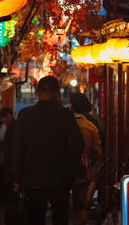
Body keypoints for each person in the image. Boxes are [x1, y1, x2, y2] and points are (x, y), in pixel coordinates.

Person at [13, 76, 84, 225]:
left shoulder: (25, 115)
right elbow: (78, 143)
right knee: (60, 217)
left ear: (37, 92)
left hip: (33, 177)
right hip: (60, 177)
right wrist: (70, 167)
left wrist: (17, 176)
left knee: (34, 218)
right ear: (57, 93)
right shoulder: (65, 114)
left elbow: (18, 148)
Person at [69, 92, 101, 225]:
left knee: (60, 208)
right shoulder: (91, 127)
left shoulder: (62, 123)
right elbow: (96, 152)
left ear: (71, 106)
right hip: (82, 171)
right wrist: (87, 160)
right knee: (81, 207)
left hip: (61, 171)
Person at [0, 107, 16, 209]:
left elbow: (13, 142)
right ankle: (1, 201)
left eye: (10, 117)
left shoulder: (15, 126)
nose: (8, 119)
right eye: (6, 117)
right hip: (0, 155)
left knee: (8, 179)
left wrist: (0, 143)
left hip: (10, 156)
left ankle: (8, 202)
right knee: (0, 177)